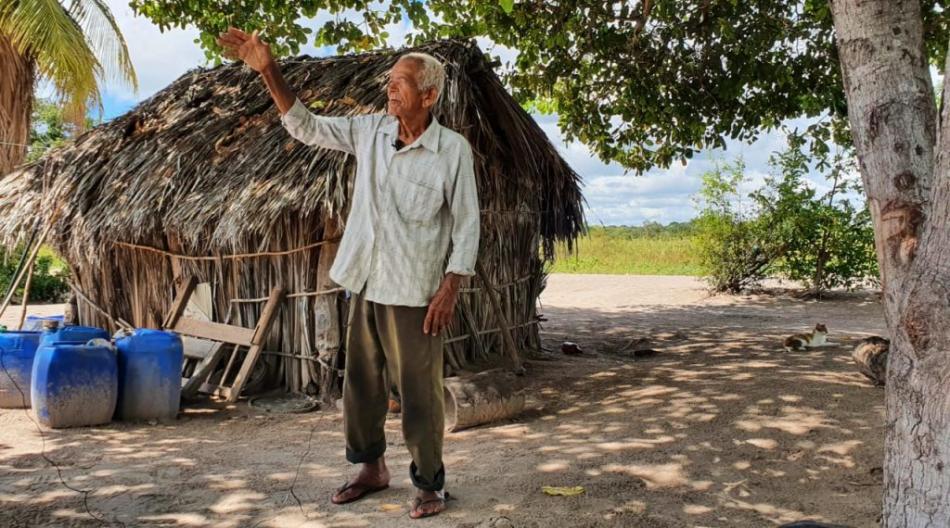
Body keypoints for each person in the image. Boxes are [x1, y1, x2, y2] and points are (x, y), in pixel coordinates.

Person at [216, 28, 480, 519]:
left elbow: (467, 225)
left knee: (420, 393)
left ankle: (429, 483)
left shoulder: (452, 152)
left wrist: (451, 286)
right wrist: (268, 71)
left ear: (429, 94)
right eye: (390, 81)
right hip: (365, 280)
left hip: (415, 290)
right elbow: (305, 126)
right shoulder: (370, 132)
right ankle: (370, 468)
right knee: (360, 385)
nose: (390, 88)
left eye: (402, 82)